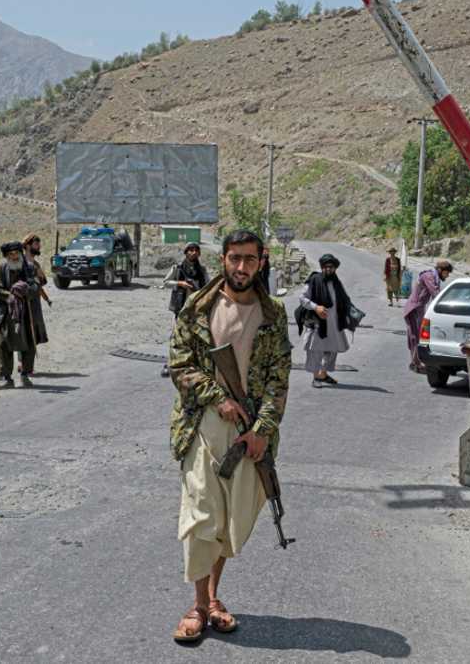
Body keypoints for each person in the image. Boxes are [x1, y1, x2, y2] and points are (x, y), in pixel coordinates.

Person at [168, 229, 292, 643]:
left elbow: (279, 380)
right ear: (222, 259)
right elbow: (180, 364)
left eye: (250, 260)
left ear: (262, 261)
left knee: (230, 521)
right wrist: (218, 399)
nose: (241, 267)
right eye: (235, 258)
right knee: (202, 515)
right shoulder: (197, 307)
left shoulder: (273, 314)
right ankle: (198, 605)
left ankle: (213, 598)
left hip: (248, 436)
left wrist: (262, 430)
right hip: (203, 425)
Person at [297, 254, 353, 388]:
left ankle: (323, 374)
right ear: (322, 267)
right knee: (316, 350)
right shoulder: (314, 280)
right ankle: (315, 376)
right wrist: (316, 307)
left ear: (335, 269)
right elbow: (302, 298)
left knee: (332, 350)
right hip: (318, 323)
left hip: (334, 324)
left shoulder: (336, 283)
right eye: (326, 267)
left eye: (331, 267)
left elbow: (344, 300)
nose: (328, 270)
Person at [0, 241, 38, 388]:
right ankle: (7, 378)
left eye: (16, 254)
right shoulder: (2, 268)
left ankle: (25, 376)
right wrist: (10, 297)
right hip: (6, 313)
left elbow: (35, 286)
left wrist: (26, 290)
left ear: (20, 254)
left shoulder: (29, 267)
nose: (13, 256)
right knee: (3, 344)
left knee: (27, 344)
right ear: (7, 256)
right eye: (10, 254)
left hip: (25, 313)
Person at [161, 242, 209, 377]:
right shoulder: (178, 268)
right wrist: (180, 283)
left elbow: (208, 286)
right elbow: (165, 282)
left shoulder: (202, 270)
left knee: (196, 337)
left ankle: (192, 364)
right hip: (180, 308)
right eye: (190, 250)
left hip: (196, 310)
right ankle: (170, 364)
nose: (193, 253)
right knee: (176, 336)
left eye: (196, 250)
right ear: (186, 252)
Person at [403, 259, 453, 372]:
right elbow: (435, 292)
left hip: (419, 308)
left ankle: (416, 361)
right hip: (414, 308)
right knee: (415, 336)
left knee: (418, 336)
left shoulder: (434, 277)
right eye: (447, 272)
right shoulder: (428, 276)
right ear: (440, 270)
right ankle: (415, 363)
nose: (447, 275)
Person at [20, 233, 50, 376]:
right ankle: (22, 363)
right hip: (23, 302)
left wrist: (46, 298)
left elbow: (42, 283)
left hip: (35, 303)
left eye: (39, 244)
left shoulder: (36, 264)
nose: (38, 247)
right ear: (27, 246)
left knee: (34, 331)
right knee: (23, 331)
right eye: (36, 244)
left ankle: (28, 364)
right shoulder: (20, 262)